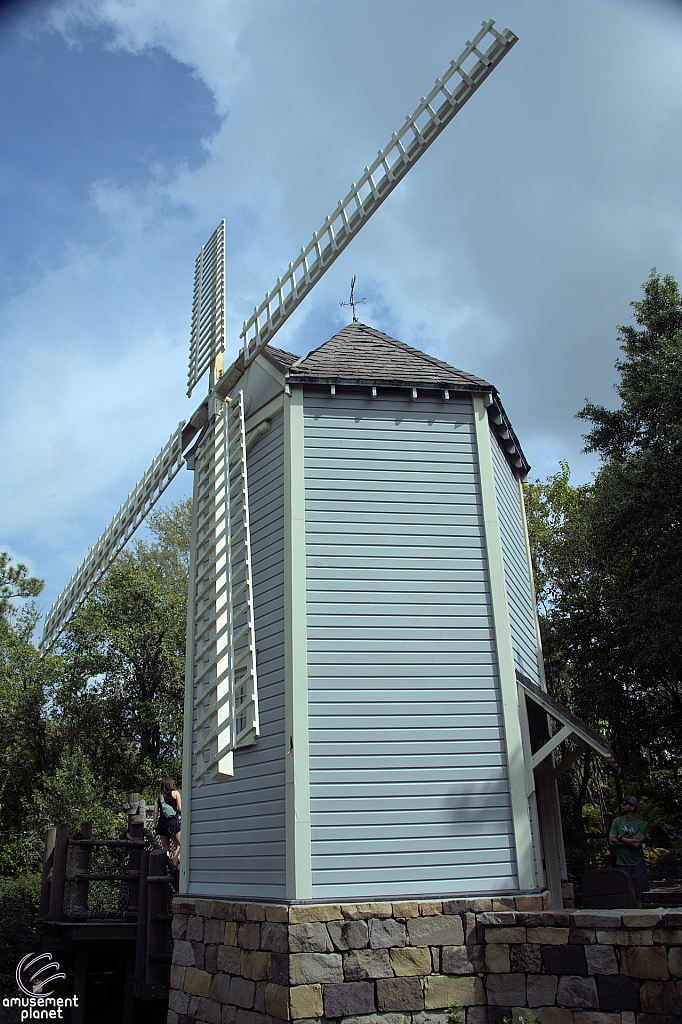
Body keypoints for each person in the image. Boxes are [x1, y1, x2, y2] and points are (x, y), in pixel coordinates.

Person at [609, 795, 648, 908]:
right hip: (622, 863)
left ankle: (640, 917)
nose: (622, 805)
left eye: (625, 804)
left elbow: (637, 844)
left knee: (639, 894)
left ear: (632, 807)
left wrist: (621, 838)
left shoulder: (641, 824)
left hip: (638, 863)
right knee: (625, 894)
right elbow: (612, 841)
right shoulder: (617, 821)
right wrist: (630, 841)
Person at [154, 777, 182, 868]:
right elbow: (180, 809)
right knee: (180, 845)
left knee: (166, 849)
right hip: (173, 823)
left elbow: (155, 813)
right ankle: (174, 865)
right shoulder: (175, 793)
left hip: (162, 825)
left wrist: (155, 827)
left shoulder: (159, 796)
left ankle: (166, 868)